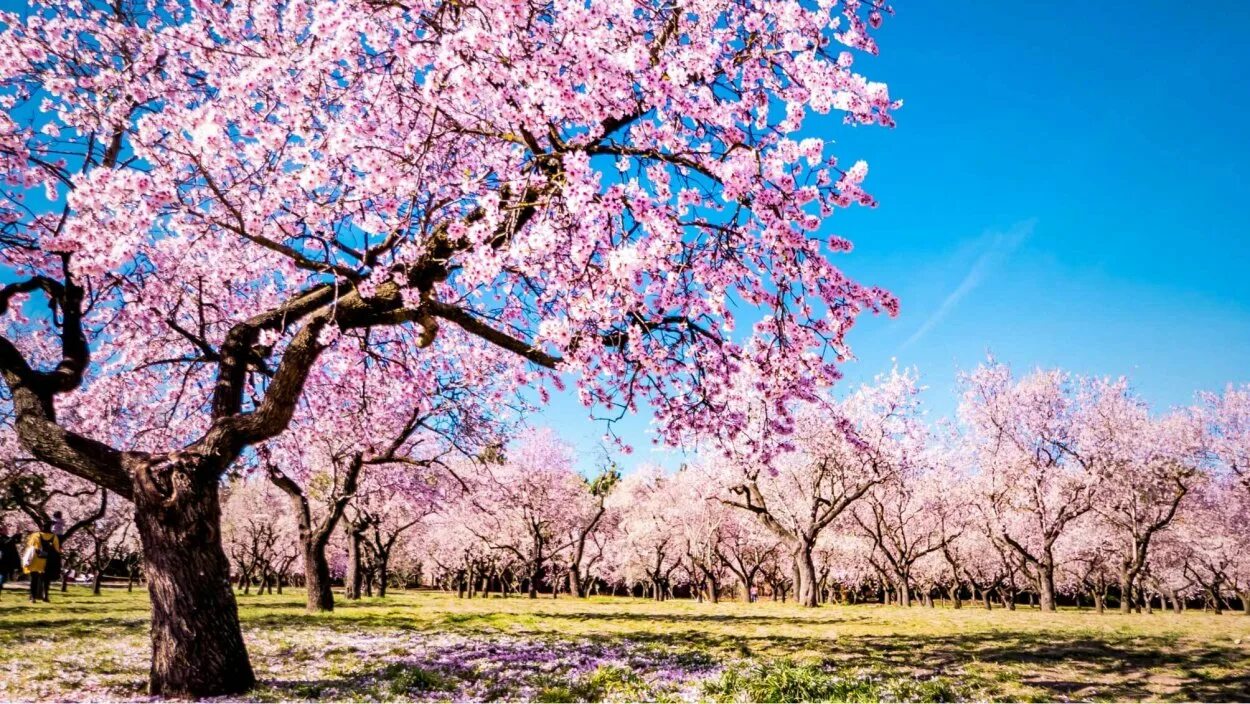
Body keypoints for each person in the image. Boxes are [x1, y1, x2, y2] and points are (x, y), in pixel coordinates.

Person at [22, 522, 60, 604]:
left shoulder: (35, 535)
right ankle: (46, 596)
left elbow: (30, 546)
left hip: (36, 560)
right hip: (47, 561)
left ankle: (33, 597)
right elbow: (57, 550)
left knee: (34, 579)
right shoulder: (54, 537)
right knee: (46, 580)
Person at [0, 525, 20, 597]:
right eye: (5, 529)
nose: (7, 530)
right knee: (3, 575)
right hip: (2, 560)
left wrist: (18, 533)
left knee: (4, 576)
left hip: (7, 560)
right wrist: (15, 535)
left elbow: (16, 541)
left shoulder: (7, 538)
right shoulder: (2, 539)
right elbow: (7, 542)